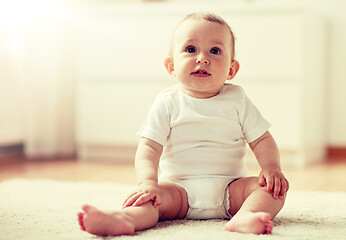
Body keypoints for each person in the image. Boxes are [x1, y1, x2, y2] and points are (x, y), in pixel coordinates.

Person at [78, 12, 289, 236]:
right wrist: (148, 182)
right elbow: (149, 147)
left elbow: (262, 139)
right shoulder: (167, 102)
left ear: (231, 70)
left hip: (232, 189)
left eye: (215, 51)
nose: (202, 58)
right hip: (178, 191)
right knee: (150, 199)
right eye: (190, 50)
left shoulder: (238, 99)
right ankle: (124, 218)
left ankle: (245, 216)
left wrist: (271, 168)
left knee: (274, 191)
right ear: (171, 66)